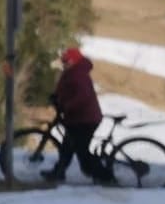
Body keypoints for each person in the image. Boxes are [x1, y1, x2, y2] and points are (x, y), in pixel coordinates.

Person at [45, 47, 114, 185]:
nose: (64, 63)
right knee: (67, 146)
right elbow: (64, 88)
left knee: (82, 151)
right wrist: (56, 97)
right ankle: (59, 172)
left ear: (73, 60)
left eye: (66, 60)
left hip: (86, 119)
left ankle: (105, 176)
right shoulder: (71, 72)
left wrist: (67, 106)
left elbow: (82, 97)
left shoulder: (79, 74)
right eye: (64, 60)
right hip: (76, 117)